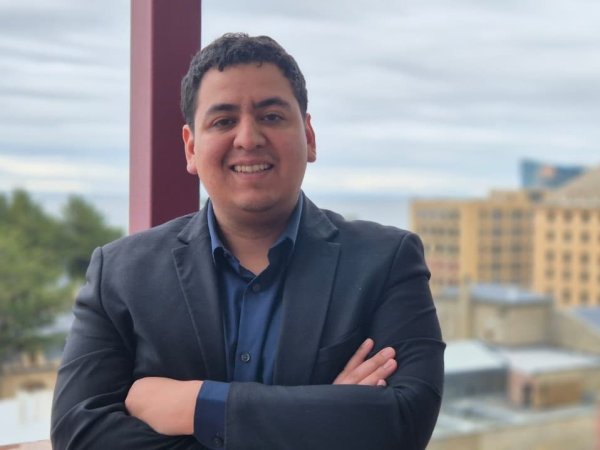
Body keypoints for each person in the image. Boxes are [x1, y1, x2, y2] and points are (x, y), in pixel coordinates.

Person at [51, 33, 444, 450]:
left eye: (271, 116)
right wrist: (323, 415)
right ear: (191, 148)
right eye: (223, 121)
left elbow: (404, 423)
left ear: (309, 136)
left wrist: (198, 405)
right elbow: (79, 435)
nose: (248, 138)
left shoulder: (387, 261)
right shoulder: (120, 273)